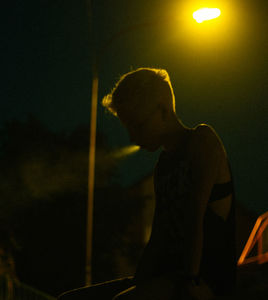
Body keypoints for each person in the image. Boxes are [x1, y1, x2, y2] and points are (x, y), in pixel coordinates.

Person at [58, 68, 236, 300]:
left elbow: (196, 217)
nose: (132, 137)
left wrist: (190, 280)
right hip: (167, 277)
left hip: (205, 280)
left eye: (137, 126)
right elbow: (159, 236)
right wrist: (139, 281)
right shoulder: (163, 165)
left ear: (163, 111)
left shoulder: (202, 141)